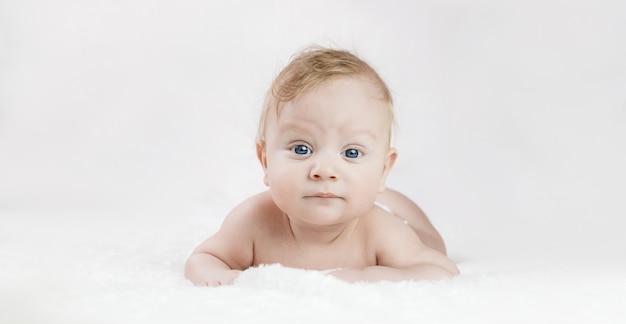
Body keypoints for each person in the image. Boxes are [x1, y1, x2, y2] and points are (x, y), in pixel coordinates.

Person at [185, 47, 459, 286]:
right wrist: (216, 275)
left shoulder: (381, 231)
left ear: (384, 170)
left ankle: (388, 196)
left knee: (430, 242)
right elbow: (205, 257)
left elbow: (441, 269)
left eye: (351, 152)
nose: (324, 170)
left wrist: (368, 277)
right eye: (301, 149)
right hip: (359, 191)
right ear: (265, 161)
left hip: (399, 216)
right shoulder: (252, 221)